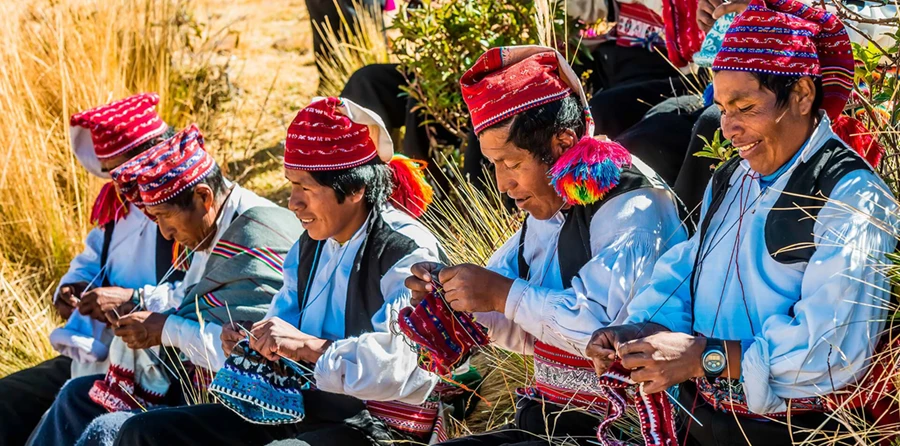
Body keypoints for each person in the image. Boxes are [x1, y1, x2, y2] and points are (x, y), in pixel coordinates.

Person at [586, 1, 898, 444]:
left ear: (803, 95)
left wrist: (702, 359)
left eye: (745, 107)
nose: (728, 127)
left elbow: (830, 353)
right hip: (708, 422)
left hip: (793, 432)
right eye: (722, 107)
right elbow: (688, 269)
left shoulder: (852, 197)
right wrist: (642, 329)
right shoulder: (732, 176)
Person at [106, 97, 447, 446]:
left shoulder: (405, 250)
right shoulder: (309, 246)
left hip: (379, 427)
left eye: (306, 188)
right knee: (146, 433)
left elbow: (403, 364)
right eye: (291, 185)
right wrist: (252, 344)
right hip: (303, 409)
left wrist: (307, 347)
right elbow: (282, 328)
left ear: (355, 188)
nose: (293, 202)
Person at [404, 45, 688, 446]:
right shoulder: (550, 207)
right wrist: (453, 297)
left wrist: (501, 295)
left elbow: (599, 331)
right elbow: (520, 324)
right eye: (495, 165)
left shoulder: (634, 209)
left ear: (562, 143)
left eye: (512, 164)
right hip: (550, 419)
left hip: (613, 430)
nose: (504, 184)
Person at [31, 124, 302, 446]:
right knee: (78, 394)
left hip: (240, 406)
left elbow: (255, 356)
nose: (164, 233)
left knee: (112, 429)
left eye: (164, 216)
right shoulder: (208, 230)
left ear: (204, 197)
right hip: (185, 377)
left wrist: (165, 328)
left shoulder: (256, 233)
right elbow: (190, 302)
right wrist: (143, 306)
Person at [0, 93, 183, 446]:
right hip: (96, 354)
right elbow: (89, 259)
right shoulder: (115, 207)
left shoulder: (184, 209)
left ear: (151, 153)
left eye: (124, 168)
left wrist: (132, 299)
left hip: (155, 368)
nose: (119, 182)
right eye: (111, 172)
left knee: (73, 414)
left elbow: (197, 292)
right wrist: (71, 288)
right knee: (8, 398)